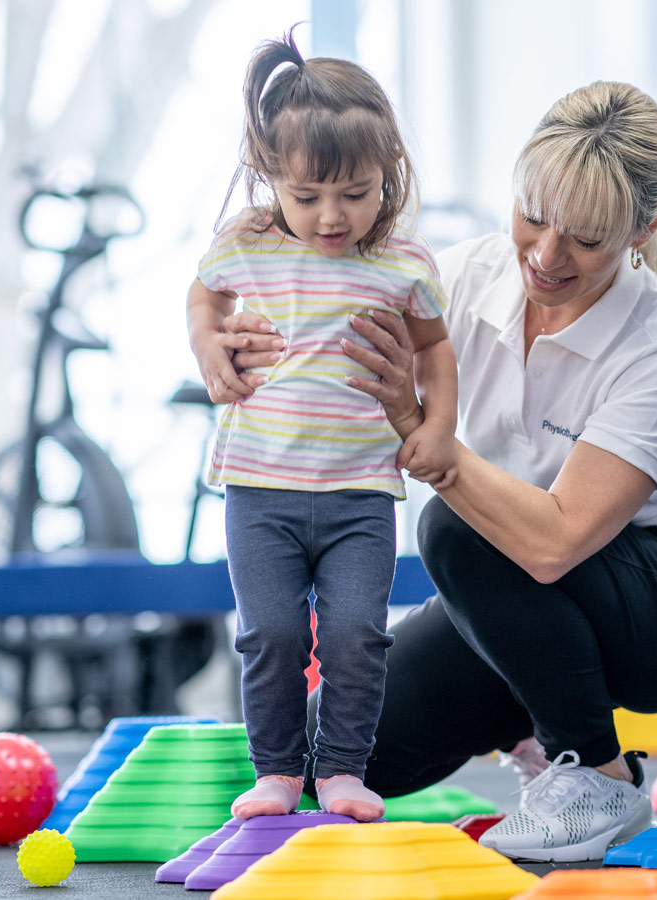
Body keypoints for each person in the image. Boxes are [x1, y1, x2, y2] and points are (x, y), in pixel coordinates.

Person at [212, 80, 657, 861]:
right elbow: (325, 334)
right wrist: (241, 345)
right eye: (533, 215)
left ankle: (598, 775)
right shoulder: (465, 277)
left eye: (585, 237)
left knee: (456, 526)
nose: (546, 255)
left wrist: (421, 431)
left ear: (645, 228)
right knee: (325, 755)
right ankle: (540, 718)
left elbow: (555, 541)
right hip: (525, 590)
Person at [186, 29, 457, 824]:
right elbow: (204, 298)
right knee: (270, 632)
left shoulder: (404, 261)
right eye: (307, 197)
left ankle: (341, 770)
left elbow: (434, 349)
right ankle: (276, 770)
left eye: (356, 193)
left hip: (360, 494)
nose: (332, 216)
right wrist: (209, 346)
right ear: (272, 176)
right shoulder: (247, 241)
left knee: (354, 636)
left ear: (388, 172)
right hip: (258, 488)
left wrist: (438, 426)